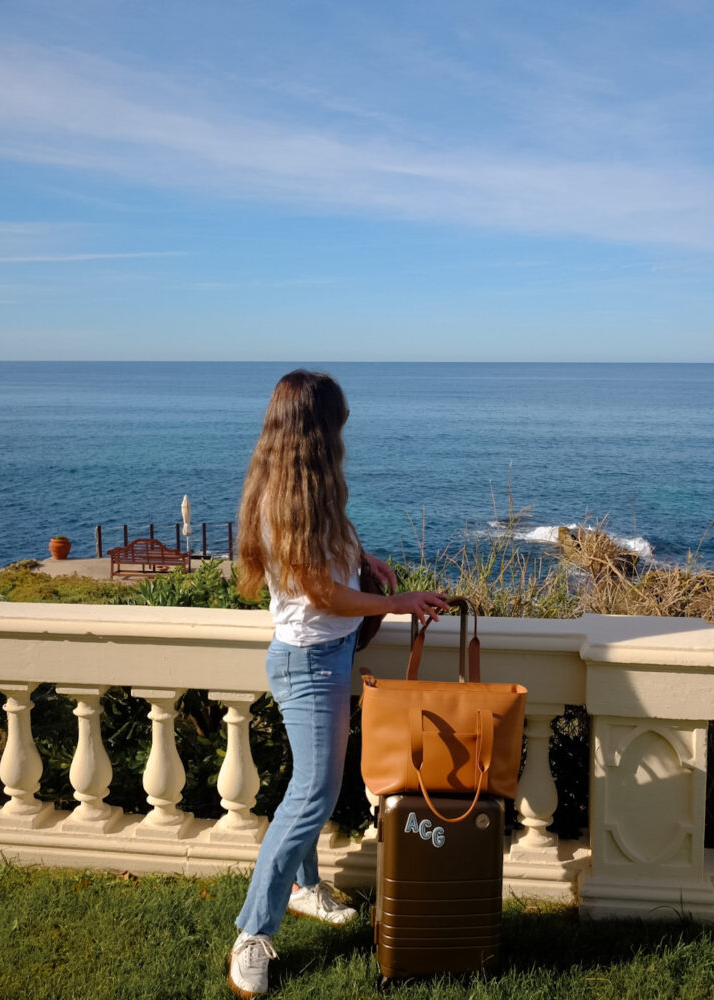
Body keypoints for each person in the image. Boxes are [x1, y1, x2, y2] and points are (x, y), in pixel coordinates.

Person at [228, 369, 449, 998]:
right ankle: (252, 932)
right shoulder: (284, 499)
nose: (342, 437)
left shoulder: (305, 488)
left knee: (306, 787)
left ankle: (303, 888)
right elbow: (321, 593)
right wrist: (398, 601)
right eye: (337, 426)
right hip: (308, 664)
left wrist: (366, 558)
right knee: (314, 799)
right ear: (316, 431)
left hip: (325, 654)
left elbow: (329, 558)